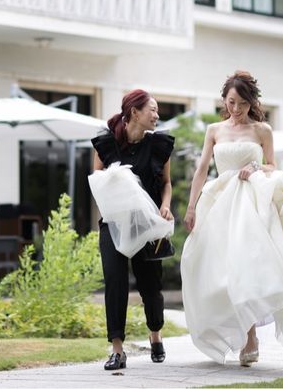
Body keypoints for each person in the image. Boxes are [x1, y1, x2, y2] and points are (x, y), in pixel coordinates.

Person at [182, 71, 283, 369]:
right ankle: (238, 331)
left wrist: (255, 167)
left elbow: (272, 165)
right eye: (231, 102)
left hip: (250, 202)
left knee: (246, 266)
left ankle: (250, 336)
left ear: (251, 103)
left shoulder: (263, 129)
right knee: (215, 268)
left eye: (242, 103)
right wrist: (191, 207)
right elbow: (201, 170)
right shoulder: (214, 129)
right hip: (218, 202)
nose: (236, 109)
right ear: (224, 101)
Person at [91, 89, 174, 370]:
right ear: (135, 112)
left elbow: (166, 183)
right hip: (114, 224)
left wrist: (165, 206)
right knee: (115, 282)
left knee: (151, 286)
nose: (157, 114)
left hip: (147, 226)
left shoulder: (159, 145)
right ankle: (117, 349)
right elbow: (98, 184)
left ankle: (155, 333)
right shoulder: (106, 144)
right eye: (153, 109)